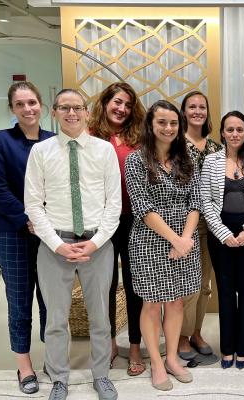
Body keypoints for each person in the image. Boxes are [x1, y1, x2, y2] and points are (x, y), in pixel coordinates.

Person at [24, 89, 121, 400]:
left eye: (77, 107)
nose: (71, 113)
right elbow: (33, 205)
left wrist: (94, 243)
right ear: (54, 112)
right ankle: (59, 378)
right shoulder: (41, 151)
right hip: (55, 246)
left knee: (99, 317)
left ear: (87, 112)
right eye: (64, 108)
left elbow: (114, 204)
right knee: (55, 319)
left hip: (98, 245)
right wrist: (56, 244)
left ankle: (101, 375)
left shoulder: (104, 150)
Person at [125, 100, 201, 390]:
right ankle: (156, 362)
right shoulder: (135, 160)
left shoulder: (187, 160)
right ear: (151, 125)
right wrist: (176, 240)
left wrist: (184, 239)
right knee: (152, 303)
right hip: (149, 241)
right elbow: (142, 207)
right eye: (162, 123)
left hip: (185, 238)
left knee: (177, 301)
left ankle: (171, 358)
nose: (168, 128)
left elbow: (195, 202)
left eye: (173, 123)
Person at [0, 81, 54, 394]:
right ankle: (24, 367)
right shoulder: (0, 141)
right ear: (12, 109)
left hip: (51, 234)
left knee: (52, 301)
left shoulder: (55, 141)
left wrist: (47, 222)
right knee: (19, 302)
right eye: (20, 104)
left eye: (32, 103)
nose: (28, 109)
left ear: (41, 105)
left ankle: (52, 360)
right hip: (14, 232)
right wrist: (28, 219)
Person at [201, 111, 244, 369]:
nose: (234, 134)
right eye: (229, 129)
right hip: (221, 237)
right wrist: (223, 234)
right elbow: (206, 201)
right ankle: (227, 348)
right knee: (226, 292)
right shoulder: (211, 161)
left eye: (239, 129)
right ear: (222, 133)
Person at [88, 82, 146, 375]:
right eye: (117, 102)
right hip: (101, 222)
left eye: (127, 104)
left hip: (135, 219)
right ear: (105, 102)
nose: (121, 109)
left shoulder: (139, 137)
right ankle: (109, 343)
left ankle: (134, 346)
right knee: (105, 285)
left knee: (135, 286)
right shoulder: (90, 135)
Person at [178, 90, 222, 360]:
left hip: (213, 223)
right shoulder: (175, 144)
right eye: (191, 106)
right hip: (184, 225)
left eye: (201, 107)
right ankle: (182, 336)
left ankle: (196, 331)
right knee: (189, 286)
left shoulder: (217, 147)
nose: (197, 111)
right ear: (183, 111)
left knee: (205, 285)